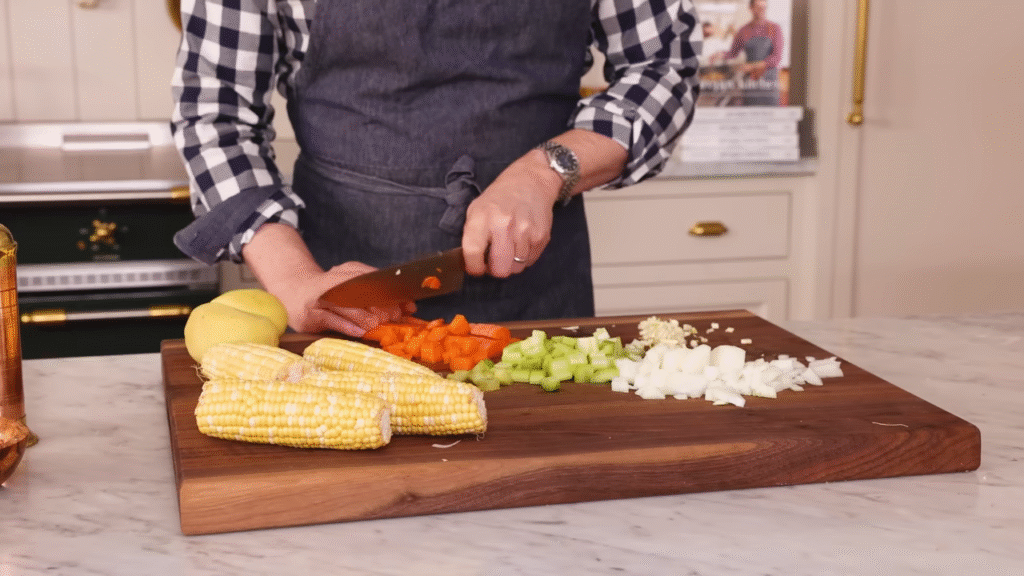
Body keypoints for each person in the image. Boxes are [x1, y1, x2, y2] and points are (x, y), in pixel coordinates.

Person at [171, 0, 701, 338]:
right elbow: (215, 112)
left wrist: (546, 172)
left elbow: (663, 67)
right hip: (341, 292)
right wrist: (295, 281)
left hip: (540, 286)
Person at [715, 0, 785, 105]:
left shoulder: (775, 28)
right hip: (750, 82)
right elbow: (733, 53)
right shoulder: (744, 30)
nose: (762, 10)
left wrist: (752, 66)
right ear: (751, 8)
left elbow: (776, 58)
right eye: (759, 7)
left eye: (764, 7)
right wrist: (721, 54)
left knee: (770, 112)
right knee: (750, 111)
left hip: (769, 82)